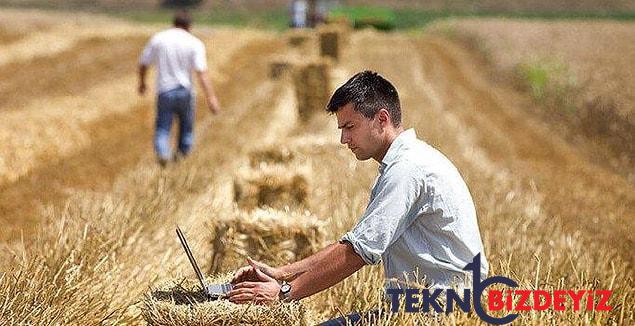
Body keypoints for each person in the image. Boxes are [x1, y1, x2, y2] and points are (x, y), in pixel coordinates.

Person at [228, 71, 489, 323]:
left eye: (350, 127)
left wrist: (284, 293)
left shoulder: (408, 170)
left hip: (443, 312)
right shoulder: (405, 162)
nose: (344, 139)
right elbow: (356, 243)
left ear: (382, 119)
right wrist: (281, 273)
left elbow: (358, 252)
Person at [138, 10, 220, 166]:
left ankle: (163, 154)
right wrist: (211, 98)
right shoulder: (194, 42)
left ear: (173, 23)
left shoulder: (159, 39)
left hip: (165, 91)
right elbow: (202, 74)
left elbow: (143, 63)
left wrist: (142, 83)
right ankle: (182, 160)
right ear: (189, 26)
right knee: (186, 130)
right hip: (185, 91)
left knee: (163, 128)